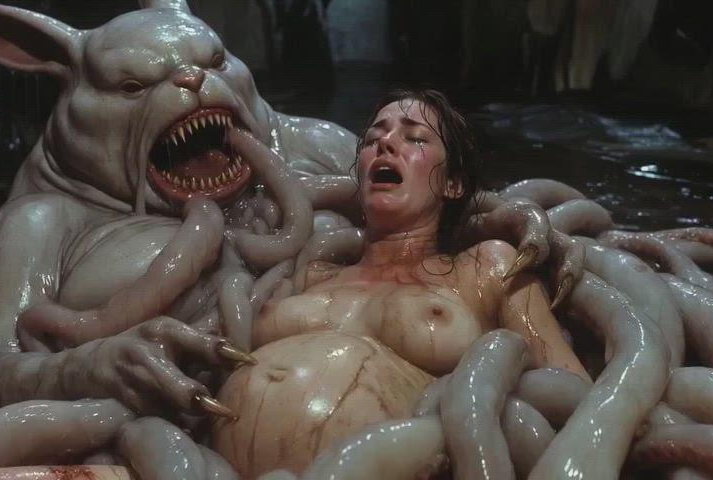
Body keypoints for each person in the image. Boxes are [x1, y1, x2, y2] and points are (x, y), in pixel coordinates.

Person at [212, 89, 589, 477]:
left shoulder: (485, 267)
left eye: (415, 138)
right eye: (372, 139)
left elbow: (570, 390)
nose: (386, 144)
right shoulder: (312, 273)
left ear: (453, 184)